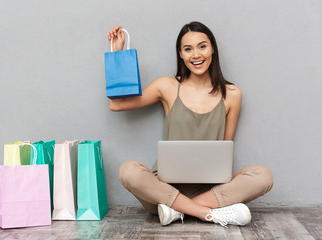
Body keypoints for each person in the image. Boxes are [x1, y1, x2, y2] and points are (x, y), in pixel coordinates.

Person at [106, 21, 273, 227]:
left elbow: (225, 147)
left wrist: (225, 179)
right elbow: (116, 104)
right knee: (128, 170)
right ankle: (206, 214)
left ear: (212, 49)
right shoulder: (167, 86)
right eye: (188, 49)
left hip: (210, 190)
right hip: (163, 189)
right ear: (181, 54)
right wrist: (118, 53)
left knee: (263, 176)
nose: (196, 55)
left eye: (202, 46)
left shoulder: (232, 94)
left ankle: (177, 211)